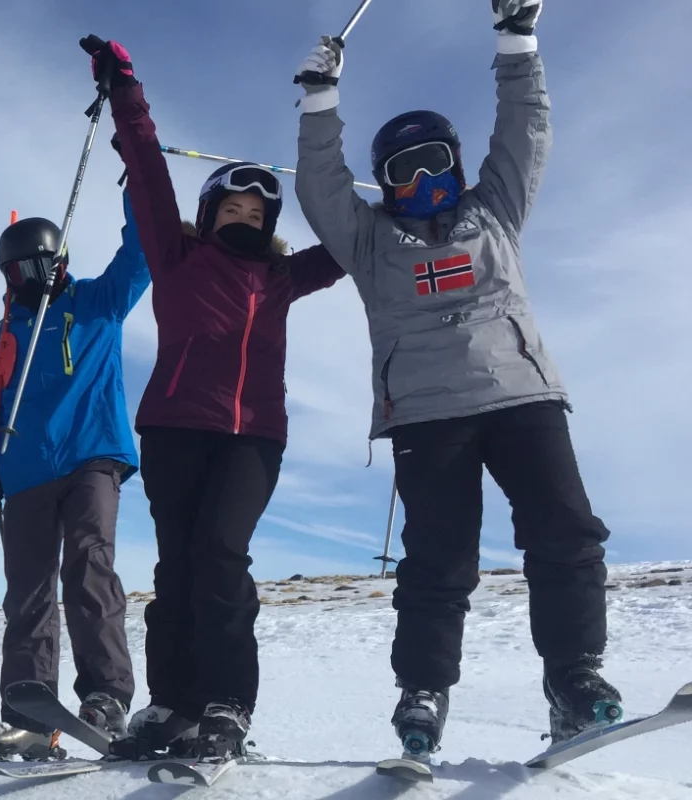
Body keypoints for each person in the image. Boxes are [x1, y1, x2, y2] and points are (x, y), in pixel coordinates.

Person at [292, 1, 621, 757]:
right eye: (405, 170)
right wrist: (320, 100)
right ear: (386, 184)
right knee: (439, 559)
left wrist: (518, 40)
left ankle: (574, 677)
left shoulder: (494, 212)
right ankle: (424, 690)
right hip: (427, 413)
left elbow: (525, 133)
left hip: (522, 397)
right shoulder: (369, 242)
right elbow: (321, 188)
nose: (425, 179)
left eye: (436, 161)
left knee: (566, 534)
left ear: (458, 165)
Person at [84, 36, 348, 760]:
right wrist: (124, 90)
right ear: (211, 208)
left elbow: (359, 241)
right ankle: (173, 704)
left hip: (255, 436)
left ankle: (228, 704)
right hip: (174, 427)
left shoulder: (283, 279)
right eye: (231, 205)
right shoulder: (176, 254)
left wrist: (402, 200)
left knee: (221, 556)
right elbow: (145, 168)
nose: (244, 216)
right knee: (176, 567)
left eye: (256, 212)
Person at [0, 188, 149, 761]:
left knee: (89, 566)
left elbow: (141, 249)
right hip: (23, 472)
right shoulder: (3, 333)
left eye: (36, 265)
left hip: (92, 454)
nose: (26, 277)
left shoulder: (99, 302)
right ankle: (27, 713)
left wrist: (136, 181)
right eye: (14, 270)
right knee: (27, 592)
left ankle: (106, 696)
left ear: (58, 261)